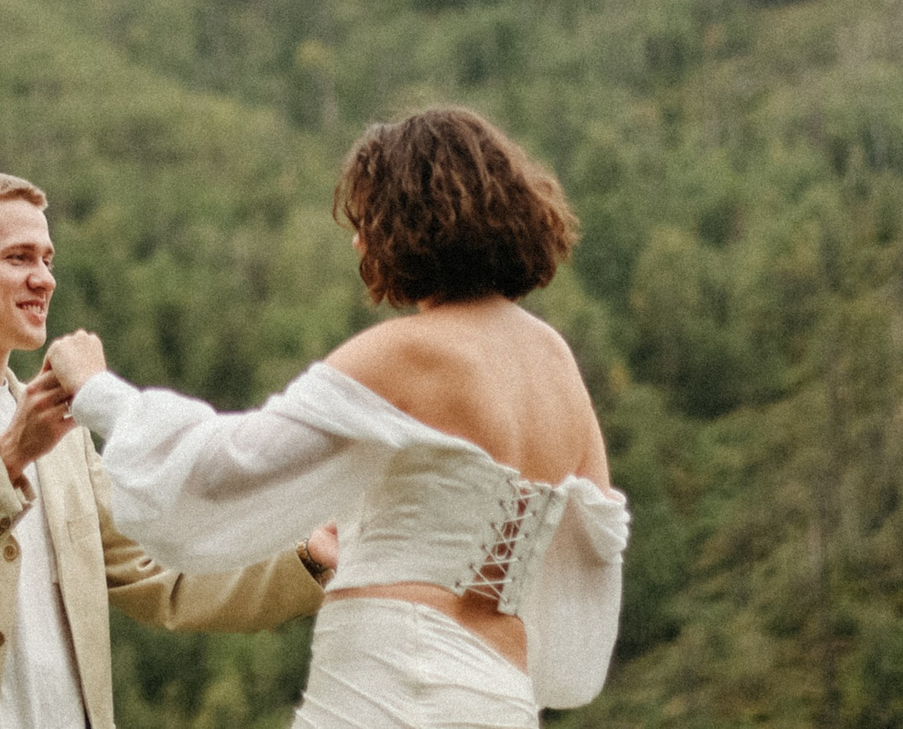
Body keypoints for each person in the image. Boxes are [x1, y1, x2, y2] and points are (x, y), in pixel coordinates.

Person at [42, 108, 628, 729]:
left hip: (392, 678)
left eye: (367, 218)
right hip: (500, 694)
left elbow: (228, 467)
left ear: (412, 220)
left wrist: (99, 392)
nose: (358, 240)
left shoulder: (409, 352)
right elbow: (591, 545)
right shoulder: (557, 362)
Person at [0, 168, 332, 729]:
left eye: (48, 260)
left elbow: (164, 576)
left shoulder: (66, 434)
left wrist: (308, 557)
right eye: (19, 258)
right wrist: (10, 455)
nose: (45, 279)